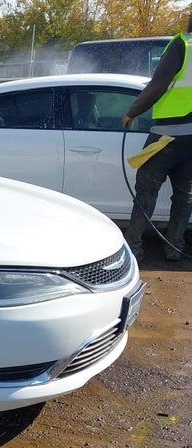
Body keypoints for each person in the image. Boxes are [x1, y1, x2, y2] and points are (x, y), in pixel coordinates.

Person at [122, 14, 192, 262]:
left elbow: (157, 85)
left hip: (167, 136)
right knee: (184, 196)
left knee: (146, 191)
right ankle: (174, 248)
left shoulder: (182, 44)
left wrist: (132, 112)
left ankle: (134, 247)